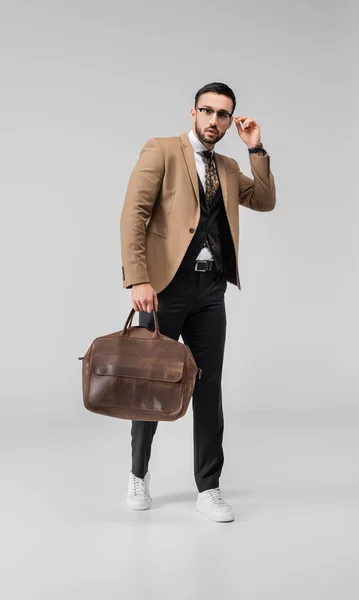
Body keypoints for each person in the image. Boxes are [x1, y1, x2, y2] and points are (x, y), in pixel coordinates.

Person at [120, 81, 276, 522]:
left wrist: (256, 148)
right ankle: (138, 473)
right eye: (206, 111)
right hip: (164, 287)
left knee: (208, 388)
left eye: (222, 114)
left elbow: (264, 200)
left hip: (211, 290)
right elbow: (134, 212)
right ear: (193, 113)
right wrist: (138, 278)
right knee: (152, 384)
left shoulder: (227, 166)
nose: (213, 121)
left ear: (230, 120)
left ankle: (208, 486)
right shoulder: (162, 150)